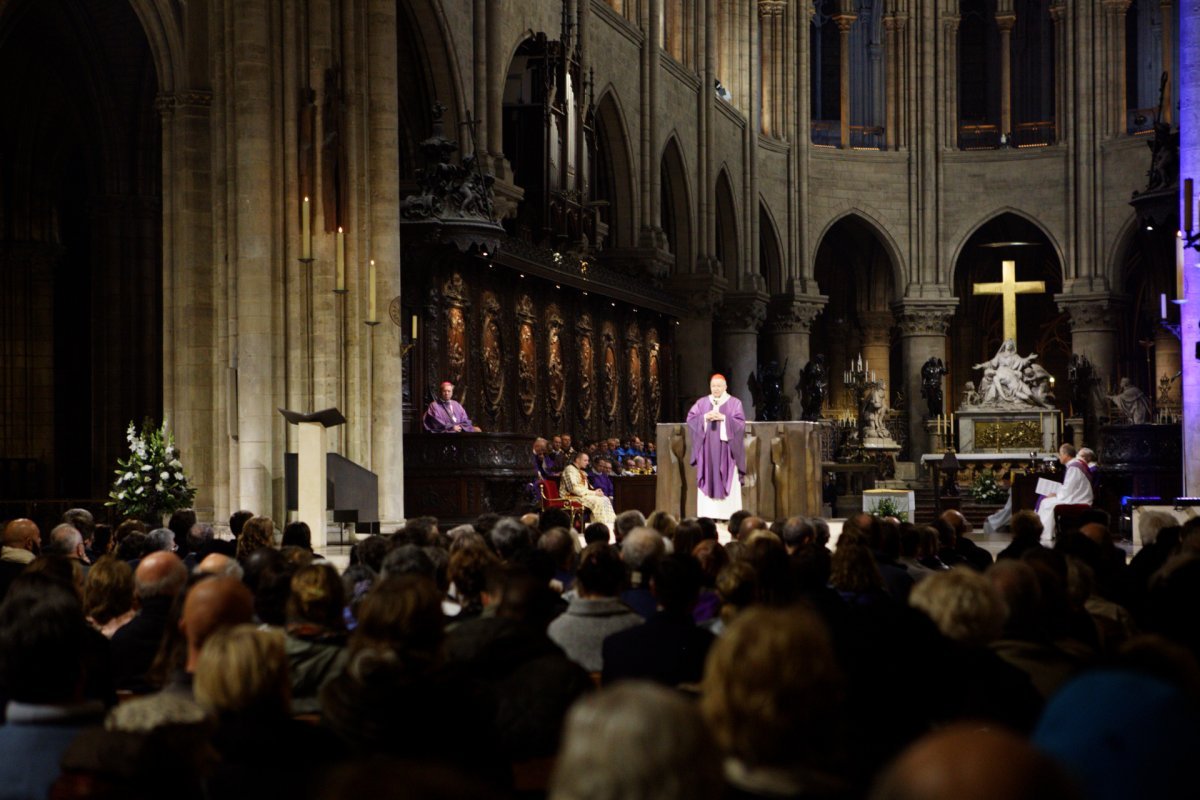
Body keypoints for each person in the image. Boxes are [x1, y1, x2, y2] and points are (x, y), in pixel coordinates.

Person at [685, 374, 747, 520]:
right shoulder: (702, 403)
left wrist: (724, 419)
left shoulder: (734, 403)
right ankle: (708, 514)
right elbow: (691, 419)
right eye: (713, 386)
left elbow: (740, 424)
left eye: (719, 386)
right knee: (707, 475)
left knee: (728, 477)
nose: (716, 389)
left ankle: (728, 514)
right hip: (707, 452)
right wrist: (705, 417)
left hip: (727, 451)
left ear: (725, 387)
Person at [1037, 443, 1093, 546]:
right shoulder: (1075, 464)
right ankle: (1047, 532)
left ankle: (1045, 534)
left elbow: (1068, 489)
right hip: (1077, 495)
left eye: (1060, 454)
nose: (1059, 457)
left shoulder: (1074, 467)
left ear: (1066, 455)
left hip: (1079, 499)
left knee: (1046, 503)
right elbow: (1069, 487)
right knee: (1046, 501)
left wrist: (1056, 495)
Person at [561, 451, 617, 530]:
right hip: (571, 496)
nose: (587, 463)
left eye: (587, 460)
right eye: (585, 460)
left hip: (581, 495)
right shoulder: (570, 470)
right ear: (577, 460)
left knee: (605, 498)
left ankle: (610, 526)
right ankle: (598, 529)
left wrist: (596, 491)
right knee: (598, 501)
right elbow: (573, 488)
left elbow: (587, 487)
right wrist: (594, 493)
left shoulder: (580, 471)